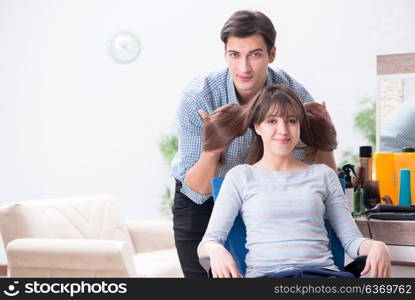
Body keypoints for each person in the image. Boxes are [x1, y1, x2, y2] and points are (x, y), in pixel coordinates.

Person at [171, 10, 336, 278]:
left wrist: (324, 136)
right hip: (202, 202)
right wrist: (213, 146)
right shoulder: (198, 97)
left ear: (272, 54)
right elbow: (197, 191)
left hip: (263, 202)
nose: (244, 68)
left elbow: (325, 178)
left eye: (255, 54)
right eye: (234, 55)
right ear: (225, 54)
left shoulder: (292, 93)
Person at [197, 84, 391, 278]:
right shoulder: (240, 176)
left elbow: (351, 241)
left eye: (291, 121)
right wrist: (215, 250)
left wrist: (377, 245)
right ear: (257, 126)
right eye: (272, 121)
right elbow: (207, 243)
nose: (283, 130)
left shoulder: (323, 175)